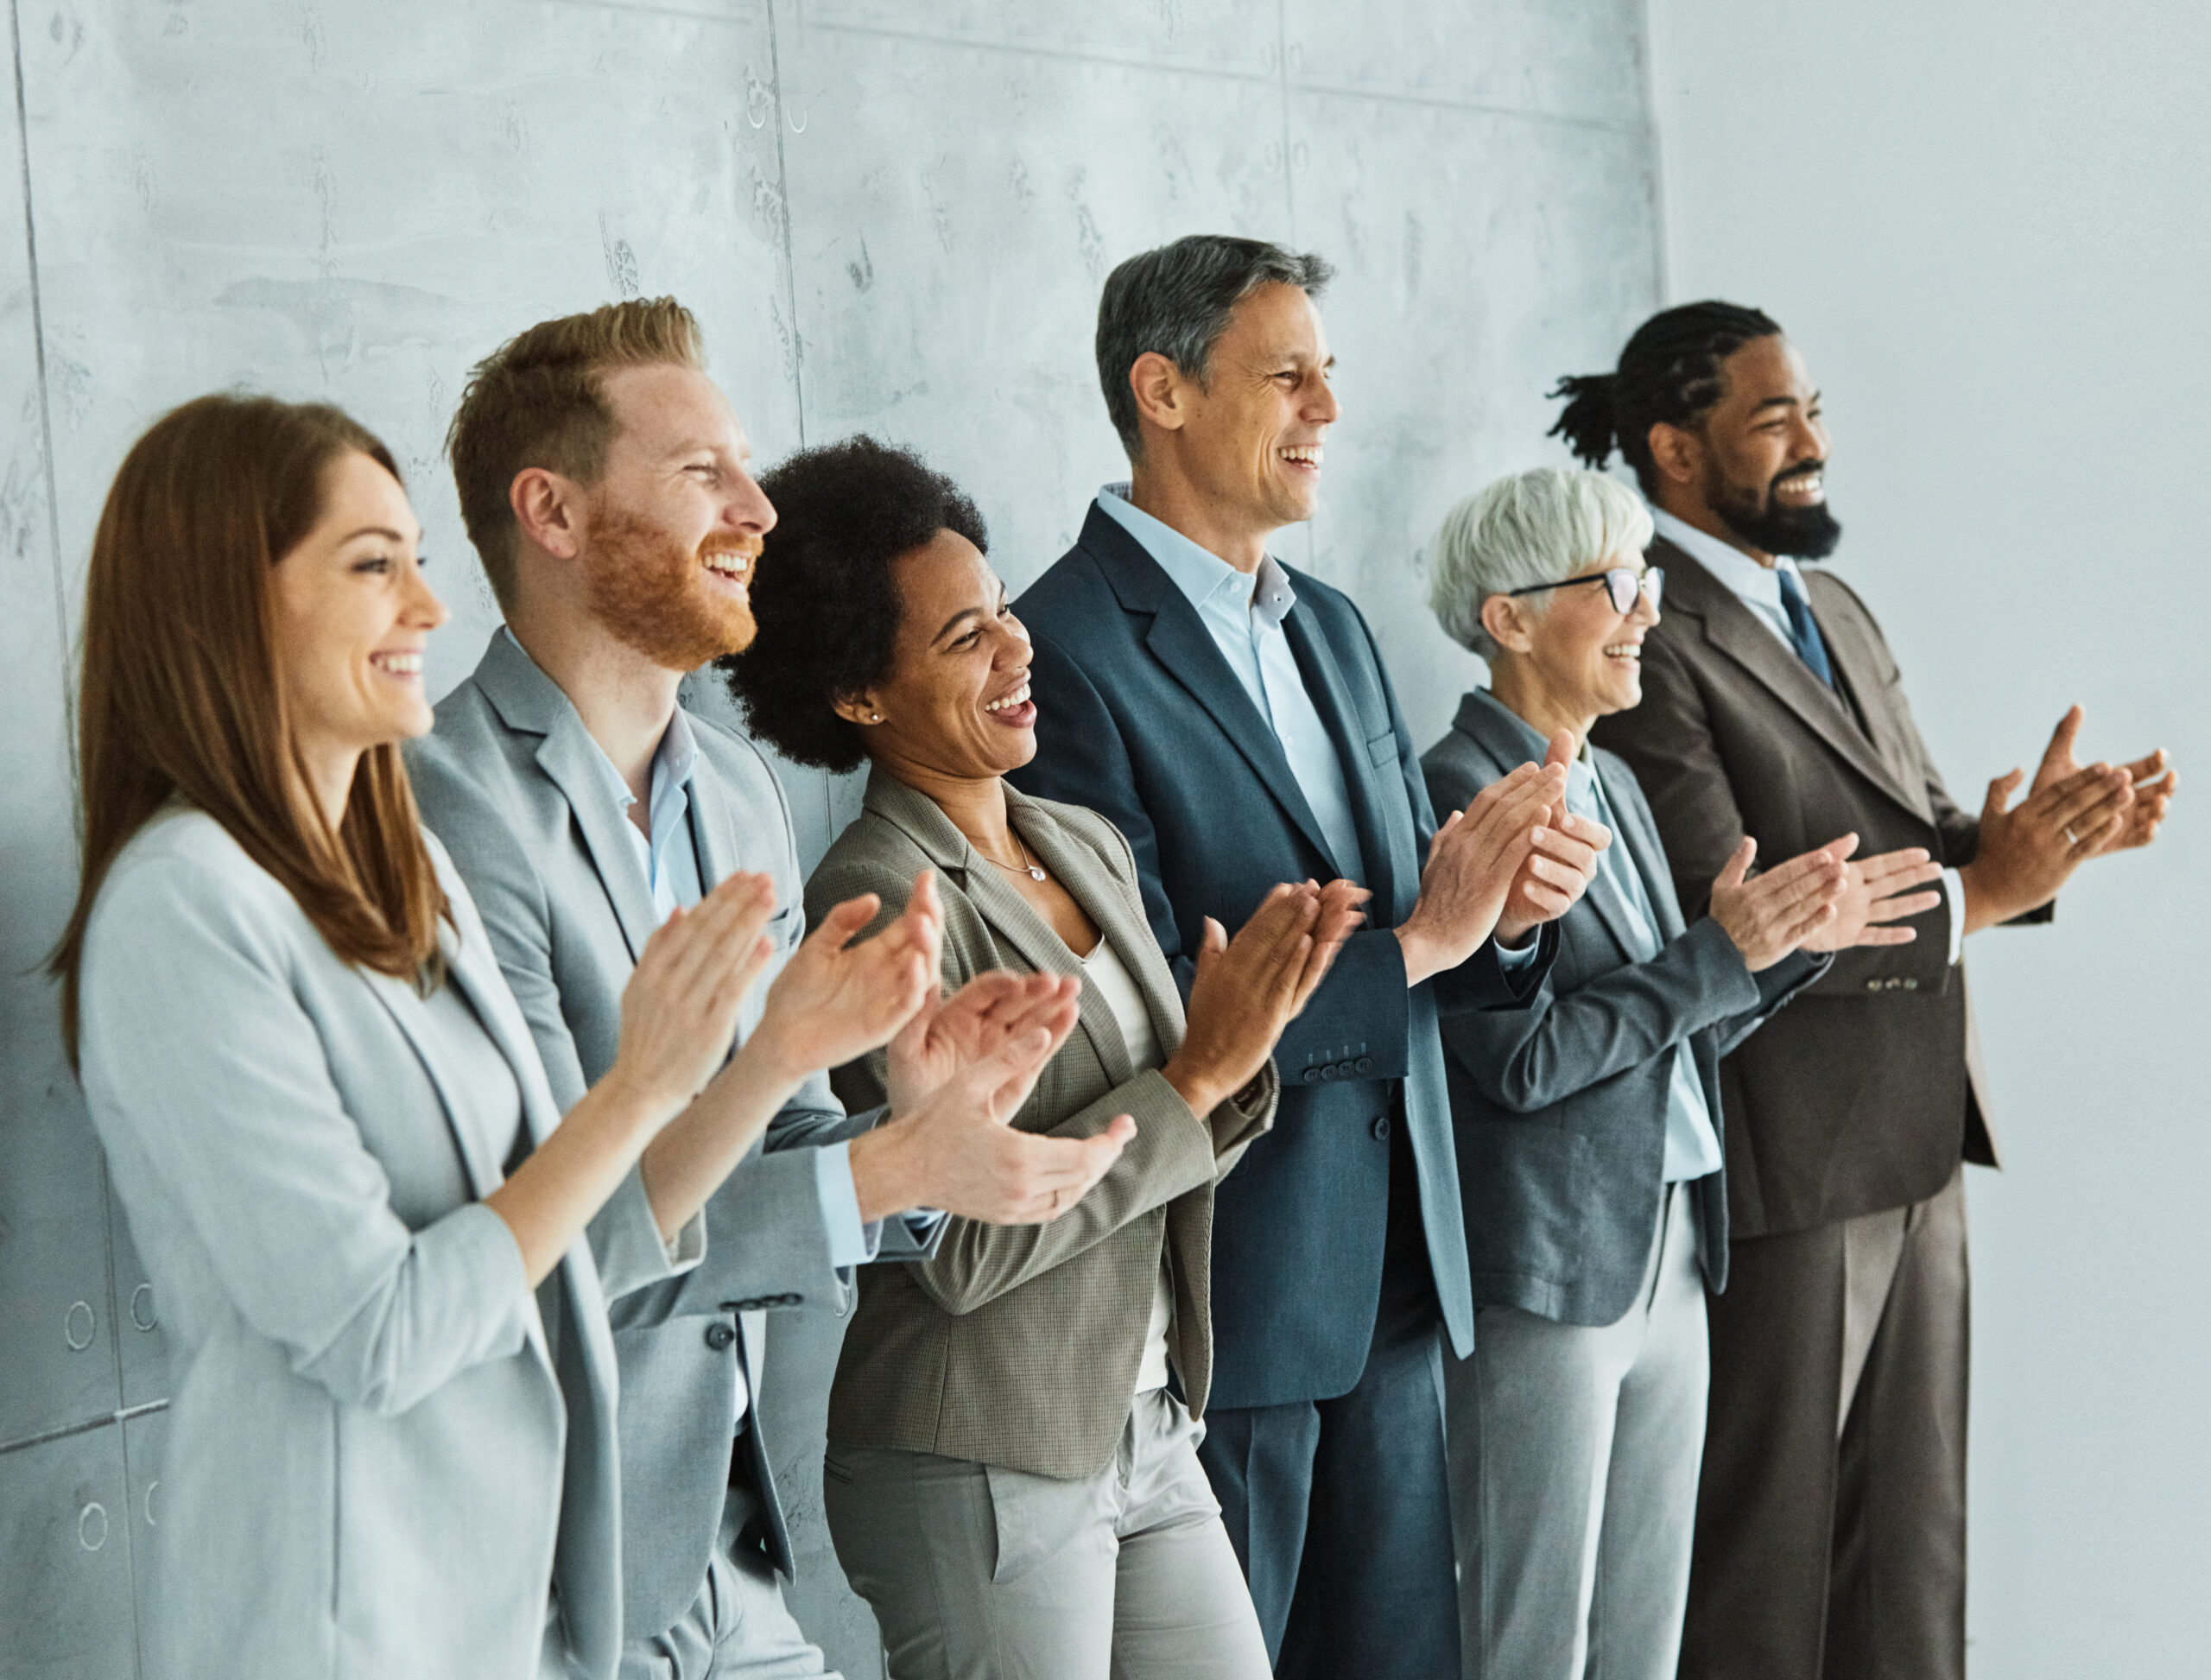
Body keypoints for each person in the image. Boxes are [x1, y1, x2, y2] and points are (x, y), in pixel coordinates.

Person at [408, 300, 1127, 1680]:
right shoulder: (438, 813)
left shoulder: (737, 792)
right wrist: (875, 1172)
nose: (756, 507)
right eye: (702, 474)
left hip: (758, 1557)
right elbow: (553, 1244)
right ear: (550, 511)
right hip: (553, 1579)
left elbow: (777, 1136)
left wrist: (913, 1116)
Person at [53, 394, 779, 1680]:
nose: (429, 614)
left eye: (419, 564)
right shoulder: (181, 907)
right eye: (372, 566)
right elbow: (374, 1332)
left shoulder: (409, 873)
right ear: (228, 598)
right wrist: (637, 1090)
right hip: (341, 1632)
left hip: (514, 1622)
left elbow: (556, 1252)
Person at [1007, 234, 1607, 1679]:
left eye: (1329, 375)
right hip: (1235, 1291)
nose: (1329, 411)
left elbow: (1434, 937)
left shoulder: (1334, 628)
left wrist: (1506, 923)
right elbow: (1146, 1004)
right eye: (1290, 377)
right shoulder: (1060, 648)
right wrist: (1426, 937)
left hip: (1408, 1268)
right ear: (1161, 389)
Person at [1553, 302, 2177, 1680]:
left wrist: (2041, 841)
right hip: (1790, 1163)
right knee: (1766, 1574)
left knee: (1911, 1567)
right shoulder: (1642, 625)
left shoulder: (1830, 602)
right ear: (1672, 445)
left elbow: (1929, 832)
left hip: (1918, 1140)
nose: (1813, 444)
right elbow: (1742, 910)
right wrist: (1987, 890)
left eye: (1814, 410)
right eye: (1773, 420)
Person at [722, 434, 1360, 1679]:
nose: (1019, 647)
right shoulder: (874, 895)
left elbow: (1182, 1119)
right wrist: (1190, 1080)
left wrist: (1238, 1045)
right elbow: (960, 1241)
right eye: (966, 637)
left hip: (1148, 1420)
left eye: (1004, 611)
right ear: (860, 697)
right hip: (979, 1451)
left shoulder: (1081, 840)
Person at [1420, 466, 1949, 1680]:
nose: (1646, 610)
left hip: (1668, 1252)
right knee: (1532, 1645)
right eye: (1614, 584)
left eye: (1646, 580)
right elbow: (1521, 1058)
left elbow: (1674, 1027)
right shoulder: (1462, 791)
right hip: (1553, 1274)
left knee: (1644, 1644)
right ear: (1508, 617)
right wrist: (1723, 953)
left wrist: (1778, 954)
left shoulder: (1613, 782)